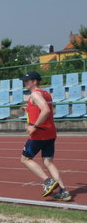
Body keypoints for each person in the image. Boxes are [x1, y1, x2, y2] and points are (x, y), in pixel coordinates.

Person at [20, 71, 71, 201]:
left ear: (34, 81)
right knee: (48, 162)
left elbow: (46, 110)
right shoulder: (46, 94)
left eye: (27, 80)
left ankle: (48, 181)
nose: (25, 83)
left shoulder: (35, 94)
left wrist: (34, 126)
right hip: (50, 132)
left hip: (39, 133)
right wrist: (28, 109)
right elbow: (45, 109)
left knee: (25, 159)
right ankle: (63, 190)